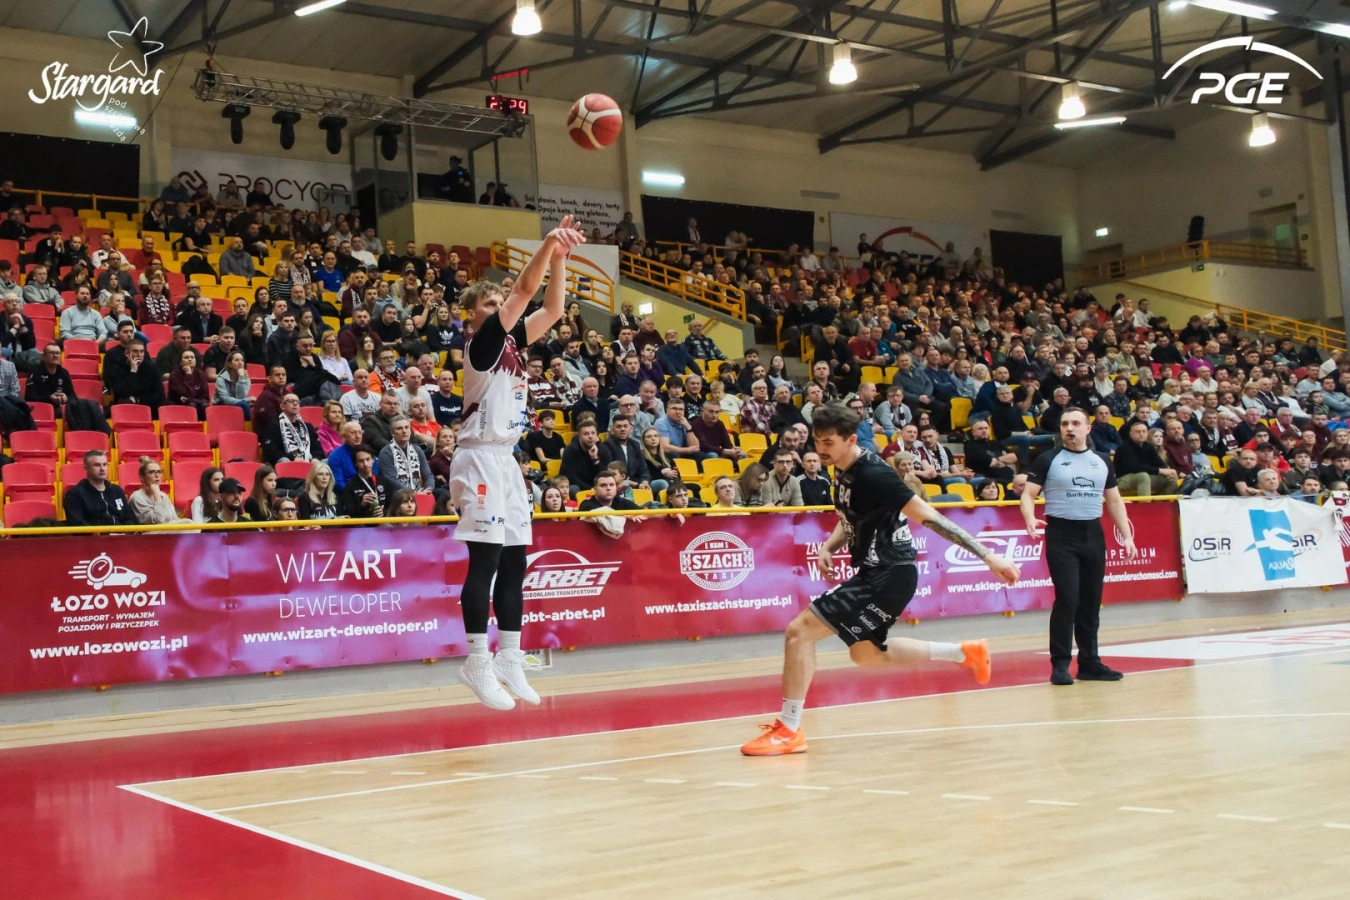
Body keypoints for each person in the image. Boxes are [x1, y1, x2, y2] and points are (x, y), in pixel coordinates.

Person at [741, 404, 1018, 756]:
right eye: (817, 441)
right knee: (867, 654)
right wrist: (829, 545)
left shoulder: (874, 474)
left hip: (889, 573)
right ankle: (965, 653)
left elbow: (928, 515)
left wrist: (987, 555)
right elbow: (853, 517)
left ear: (850, 440)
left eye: (828, 442)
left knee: (799, 633)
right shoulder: (842, 467)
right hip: (882, 573)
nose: (821, 449)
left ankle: (788, 729)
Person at [449, 215, 584, 711]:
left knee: (514, 561)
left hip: (505, 460)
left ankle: (509, 655)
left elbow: (553, 307)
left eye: (497, 302)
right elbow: (526, 291)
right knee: (484, 561)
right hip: (478, 458)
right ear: (473, 316)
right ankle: (476, 661)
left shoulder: (512, 343)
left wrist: (561, 259)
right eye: (490, 304)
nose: (498, 307)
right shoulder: (482, 344)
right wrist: (547, 242)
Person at [1020, 407, 1137, 686]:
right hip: (1062, 535)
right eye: (1064, 424)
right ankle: (1060, 664)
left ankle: (1089, 663)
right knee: (1068, 598)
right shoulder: (1048, 459)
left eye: (1075, 423)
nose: (1069, 428)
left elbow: (1114, 500)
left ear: (1088, 428)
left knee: (1091, 601)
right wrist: (1030, 518)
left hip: (1092, 534)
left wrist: (1127, 536)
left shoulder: (1102, 461)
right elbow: (1028, 495)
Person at [63, 449, 135, 527]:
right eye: (97, 465)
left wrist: (125, 532)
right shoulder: (74, 494)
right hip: (95, 534)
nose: (102, 469)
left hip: (122, 533)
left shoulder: (117, 491)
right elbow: (78, 523)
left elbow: (130, 518)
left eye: (105, 464)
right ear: (86, 468)